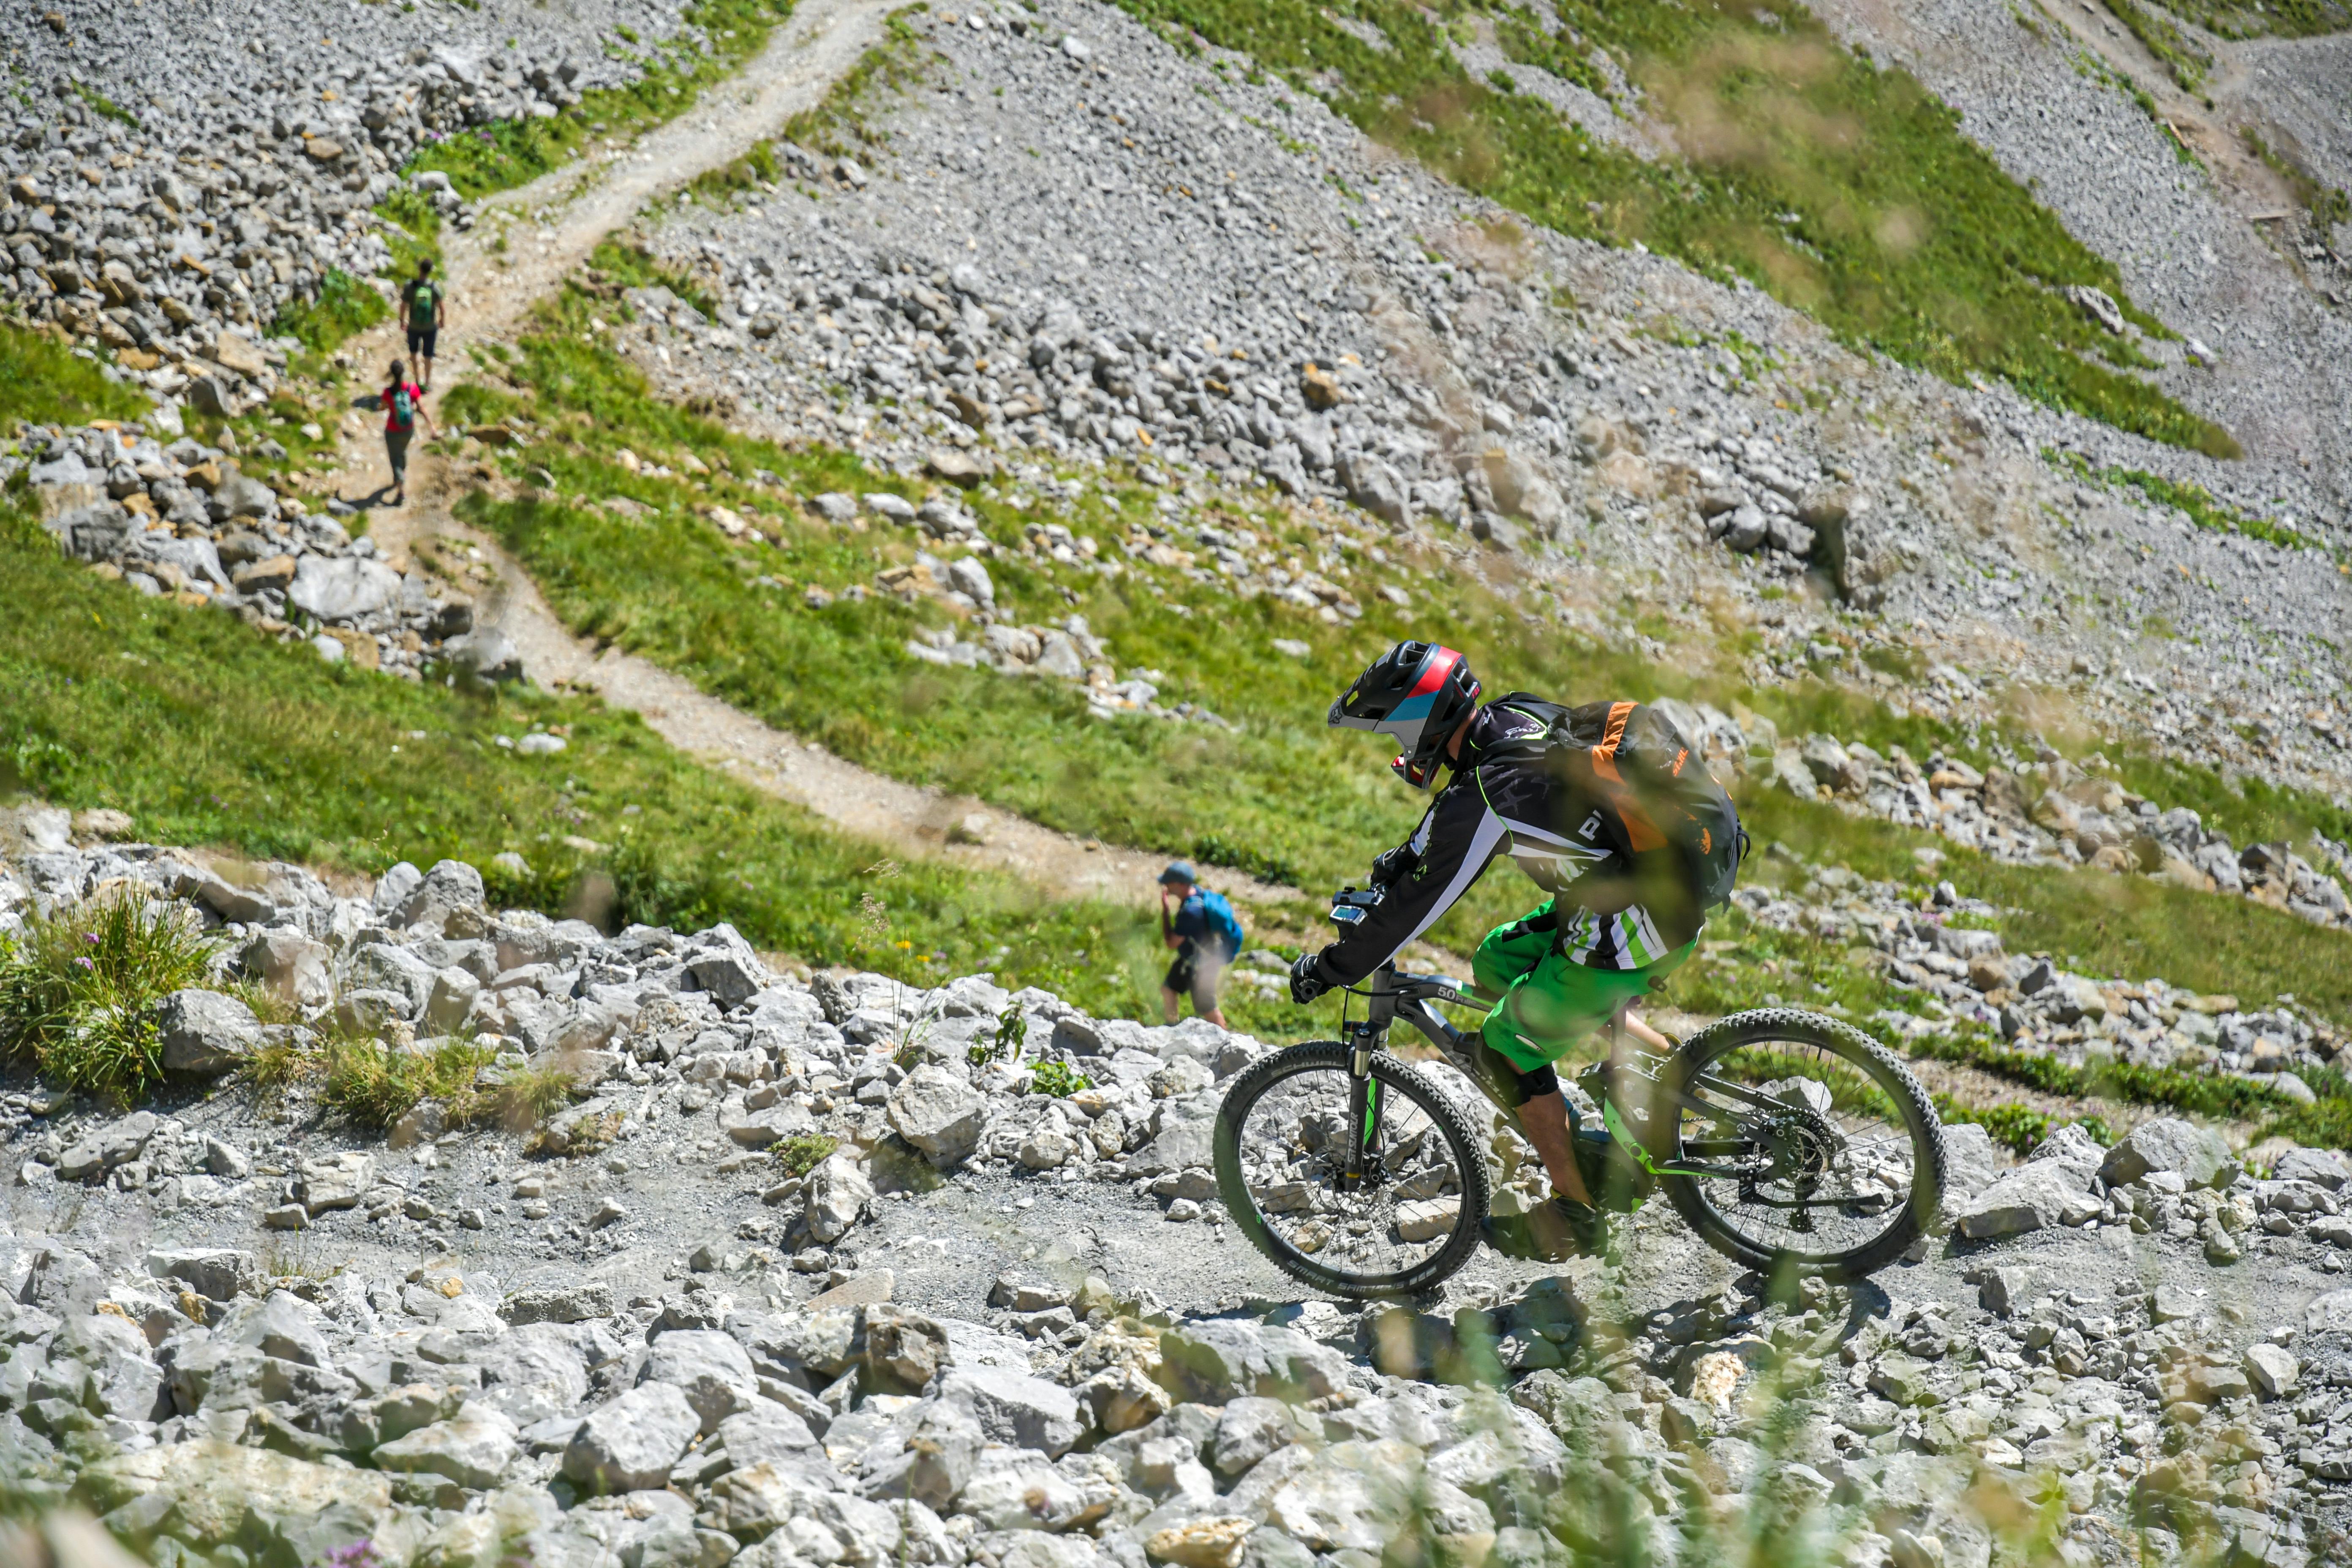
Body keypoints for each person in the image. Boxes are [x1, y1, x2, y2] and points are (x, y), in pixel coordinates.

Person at [1289, 640, 1745, 1259]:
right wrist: (1392, 867)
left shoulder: (1488, 794)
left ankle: (1577, 1210)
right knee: (1495, 964)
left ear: (1421, 726)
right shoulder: (1512, 718)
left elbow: (1427, 898)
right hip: (1626, 892)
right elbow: (1438, 834)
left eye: (1397, 738)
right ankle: (1651, 1062)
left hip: (1641, 921)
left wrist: (1336, 966)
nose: (1401, 754)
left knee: (1504, 1044)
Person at [1158, 860, 1243, 1029]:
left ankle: (1226, 1042)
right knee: (1168, 989)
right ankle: (1170, 1028)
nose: (1166, 885)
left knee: (1207, 1007)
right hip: (1191, 960)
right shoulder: (1197, 893)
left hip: (1203, 965)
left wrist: (1166, 912)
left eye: (1169, 882)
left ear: (1179, 885)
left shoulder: (1191, 912)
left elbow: (1171, 943)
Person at [379, 359, 435, 506]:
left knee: (395, 459)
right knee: (402, 453)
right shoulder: (412, 388)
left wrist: (383, 406)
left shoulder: (388, 392)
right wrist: (432, 427)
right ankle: (400, 477)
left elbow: (382, 407)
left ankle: (400, 490)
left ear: (391, 374)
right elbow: (422, 408)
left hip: (393, 431)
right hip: (408, 430)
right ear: (404, 373)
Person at [400, 259, 445, 391]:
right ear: (431, 271)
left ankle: (417, 381)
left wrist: (402, 321)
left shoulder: (410, 286)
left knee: (414, 353)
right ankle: (427, 382)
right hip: (430, 327)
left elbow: (403, 306)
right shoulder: (434, 287)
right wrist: (442, 321)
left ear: (420, 269)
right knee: (428, 355)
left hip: (413, 327)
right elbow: (442, 308)